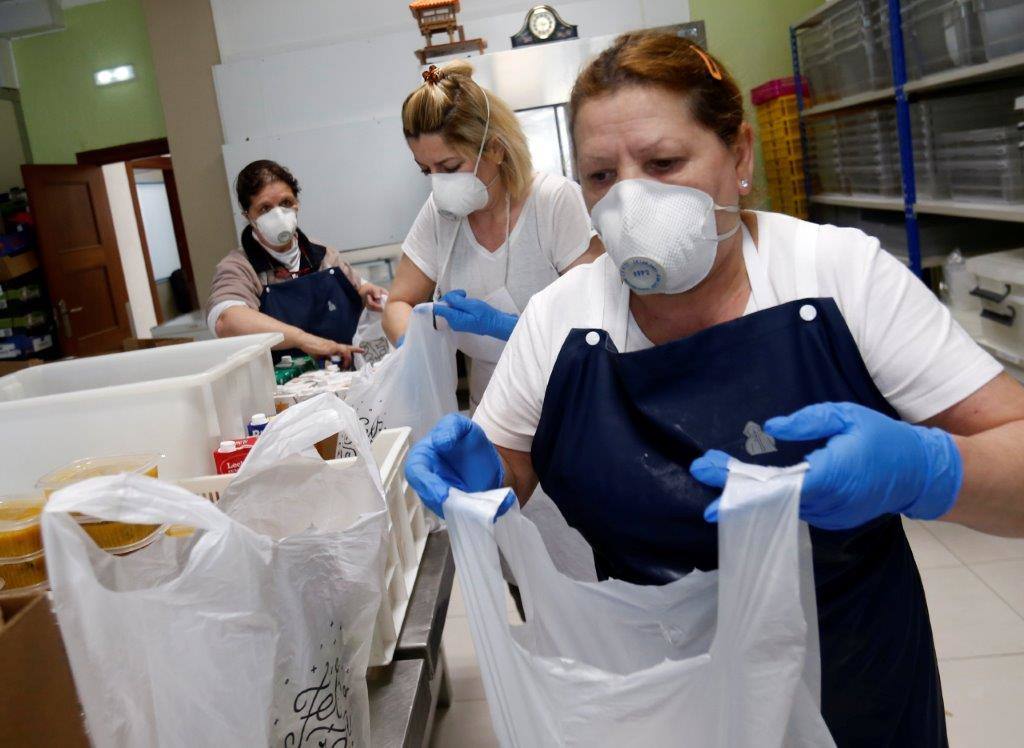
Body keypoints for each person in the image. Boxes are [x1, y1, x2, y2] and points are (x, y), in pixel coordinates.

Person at [404, 33, 1024, 746]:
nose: (632, 199)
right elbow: (509, 461)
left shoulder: (839, 275)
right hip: (660, 699)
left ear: (741, 156)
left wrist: (926, 469)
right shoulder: (561, 318)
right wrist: (484, 475)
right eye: (602, 175)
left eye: (665, 163)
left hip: (853, 689)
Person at [382, 61, 602, 410]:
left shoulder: (552, 201)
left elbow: (598, 322)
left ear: (496, 149)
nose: (438, 182)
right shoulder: (439, 215)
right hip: (492, 406)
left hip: (570, 395)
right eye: (427, 170)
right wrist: (416, 347)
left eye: (450, 167)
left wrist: (506, 327)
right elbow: (398, 303)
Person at [207, 160, 387, 364]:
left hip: (343, 376)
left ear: (297, 203)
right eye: (264, 209)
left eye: (285, 203)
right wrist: (303, 340)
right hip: (283, 387)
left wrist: (366, 292)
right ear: (248, 216)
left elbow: (356, 286)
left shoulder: (321, 253)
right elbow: (226, 320)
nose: (278, 215)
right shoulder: (239, 267)